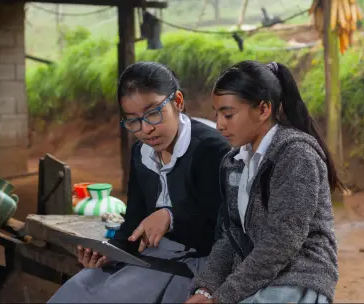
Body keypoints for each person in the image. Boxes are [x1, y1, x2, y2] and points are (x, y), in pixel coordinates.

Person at [47, 61, 230, 303]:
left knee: (110, 297)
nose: (146, 130)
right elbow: (135, 216)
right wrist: (110, 251)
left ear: (177, 101)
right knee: (78, 289)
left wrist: (170, 216)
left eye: (153, 113)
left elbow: (224, 228)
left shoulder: (210, 149)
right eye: (133, 120)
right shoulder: (141, 153)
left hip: (200, 263)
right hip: (155, 254)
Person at [186, 60, 342, 304]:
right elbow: (232, 235)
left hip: (298, 279)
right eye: (217, 114)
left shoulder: (296, 155)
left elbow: (281, 243)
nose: (219, 125)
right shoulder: (235, 161)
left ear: (263, 110)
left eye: (228, 114)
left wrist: (222, 297)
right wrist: (205, 289)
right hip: (256, 278)